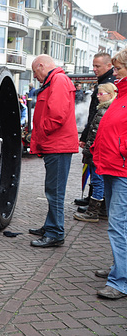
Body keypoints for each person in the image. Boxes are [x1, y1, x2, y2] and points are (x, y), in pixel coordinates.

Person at [28, 54, 79, 248]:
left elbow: (56, 115)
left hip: (57, 145)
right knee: (53, 190)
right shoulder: (57, 80)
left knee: (54, 191)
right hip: (57, 145)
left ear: (41, 66)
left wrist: (41, 133)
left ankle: (56, 232)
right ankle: (51, 226)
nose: (35, 77)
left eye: (35, 72)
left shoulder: (57, 80)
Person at [90, 48, 127, 299]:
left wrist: (121, 150)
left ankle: (120, 281)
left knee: (118, 226)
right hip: (113, 166)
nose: (115, 73)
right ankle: (119, 269)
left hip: (121, 169)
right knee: (118, 225)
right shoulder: (121, 94)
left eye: (119, 68)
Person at [76, 52, 116, 207]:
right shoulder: (103, 81)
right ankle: (93, 197)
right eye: (93, 65)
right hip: (95, 134)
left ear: (108, 66)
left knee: (97, 170)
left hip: (99, 138)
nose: (94, 69)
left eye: (97, 66)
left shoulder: (108, 84)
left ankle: (97, 203)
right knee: (93, 168)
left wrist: (86, 137)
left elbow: (95, 115)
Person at [74, 82, 117, 222]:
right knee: (100, 181)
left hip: (97, 154)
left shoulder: (104, 111)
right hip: (98, 153)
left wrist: (88, 150)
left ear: (110, 95)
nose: (98, 97)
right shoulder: (106, 109)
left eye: (101, 94)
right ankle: (103, 210)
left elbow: (96, 135)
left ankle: (93, 212)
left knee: (97, 182)